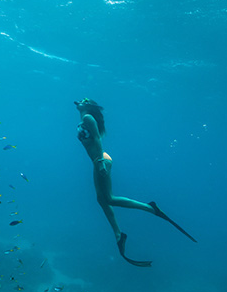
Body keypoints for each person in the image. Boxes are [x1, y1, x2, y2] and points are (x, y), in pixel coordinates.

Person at [75, 98, 196, 267]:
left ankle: (151, 208)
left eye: (85, 100)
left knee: (109, 199)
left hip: (100, 161)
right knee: (101, 199)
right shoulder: (84, 117)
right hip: (97, 161)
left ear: (90, 105)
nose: (80, 101)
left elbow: (97, 139)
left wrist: (101, 163)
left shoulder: (88, 118)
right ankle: (118, 234)